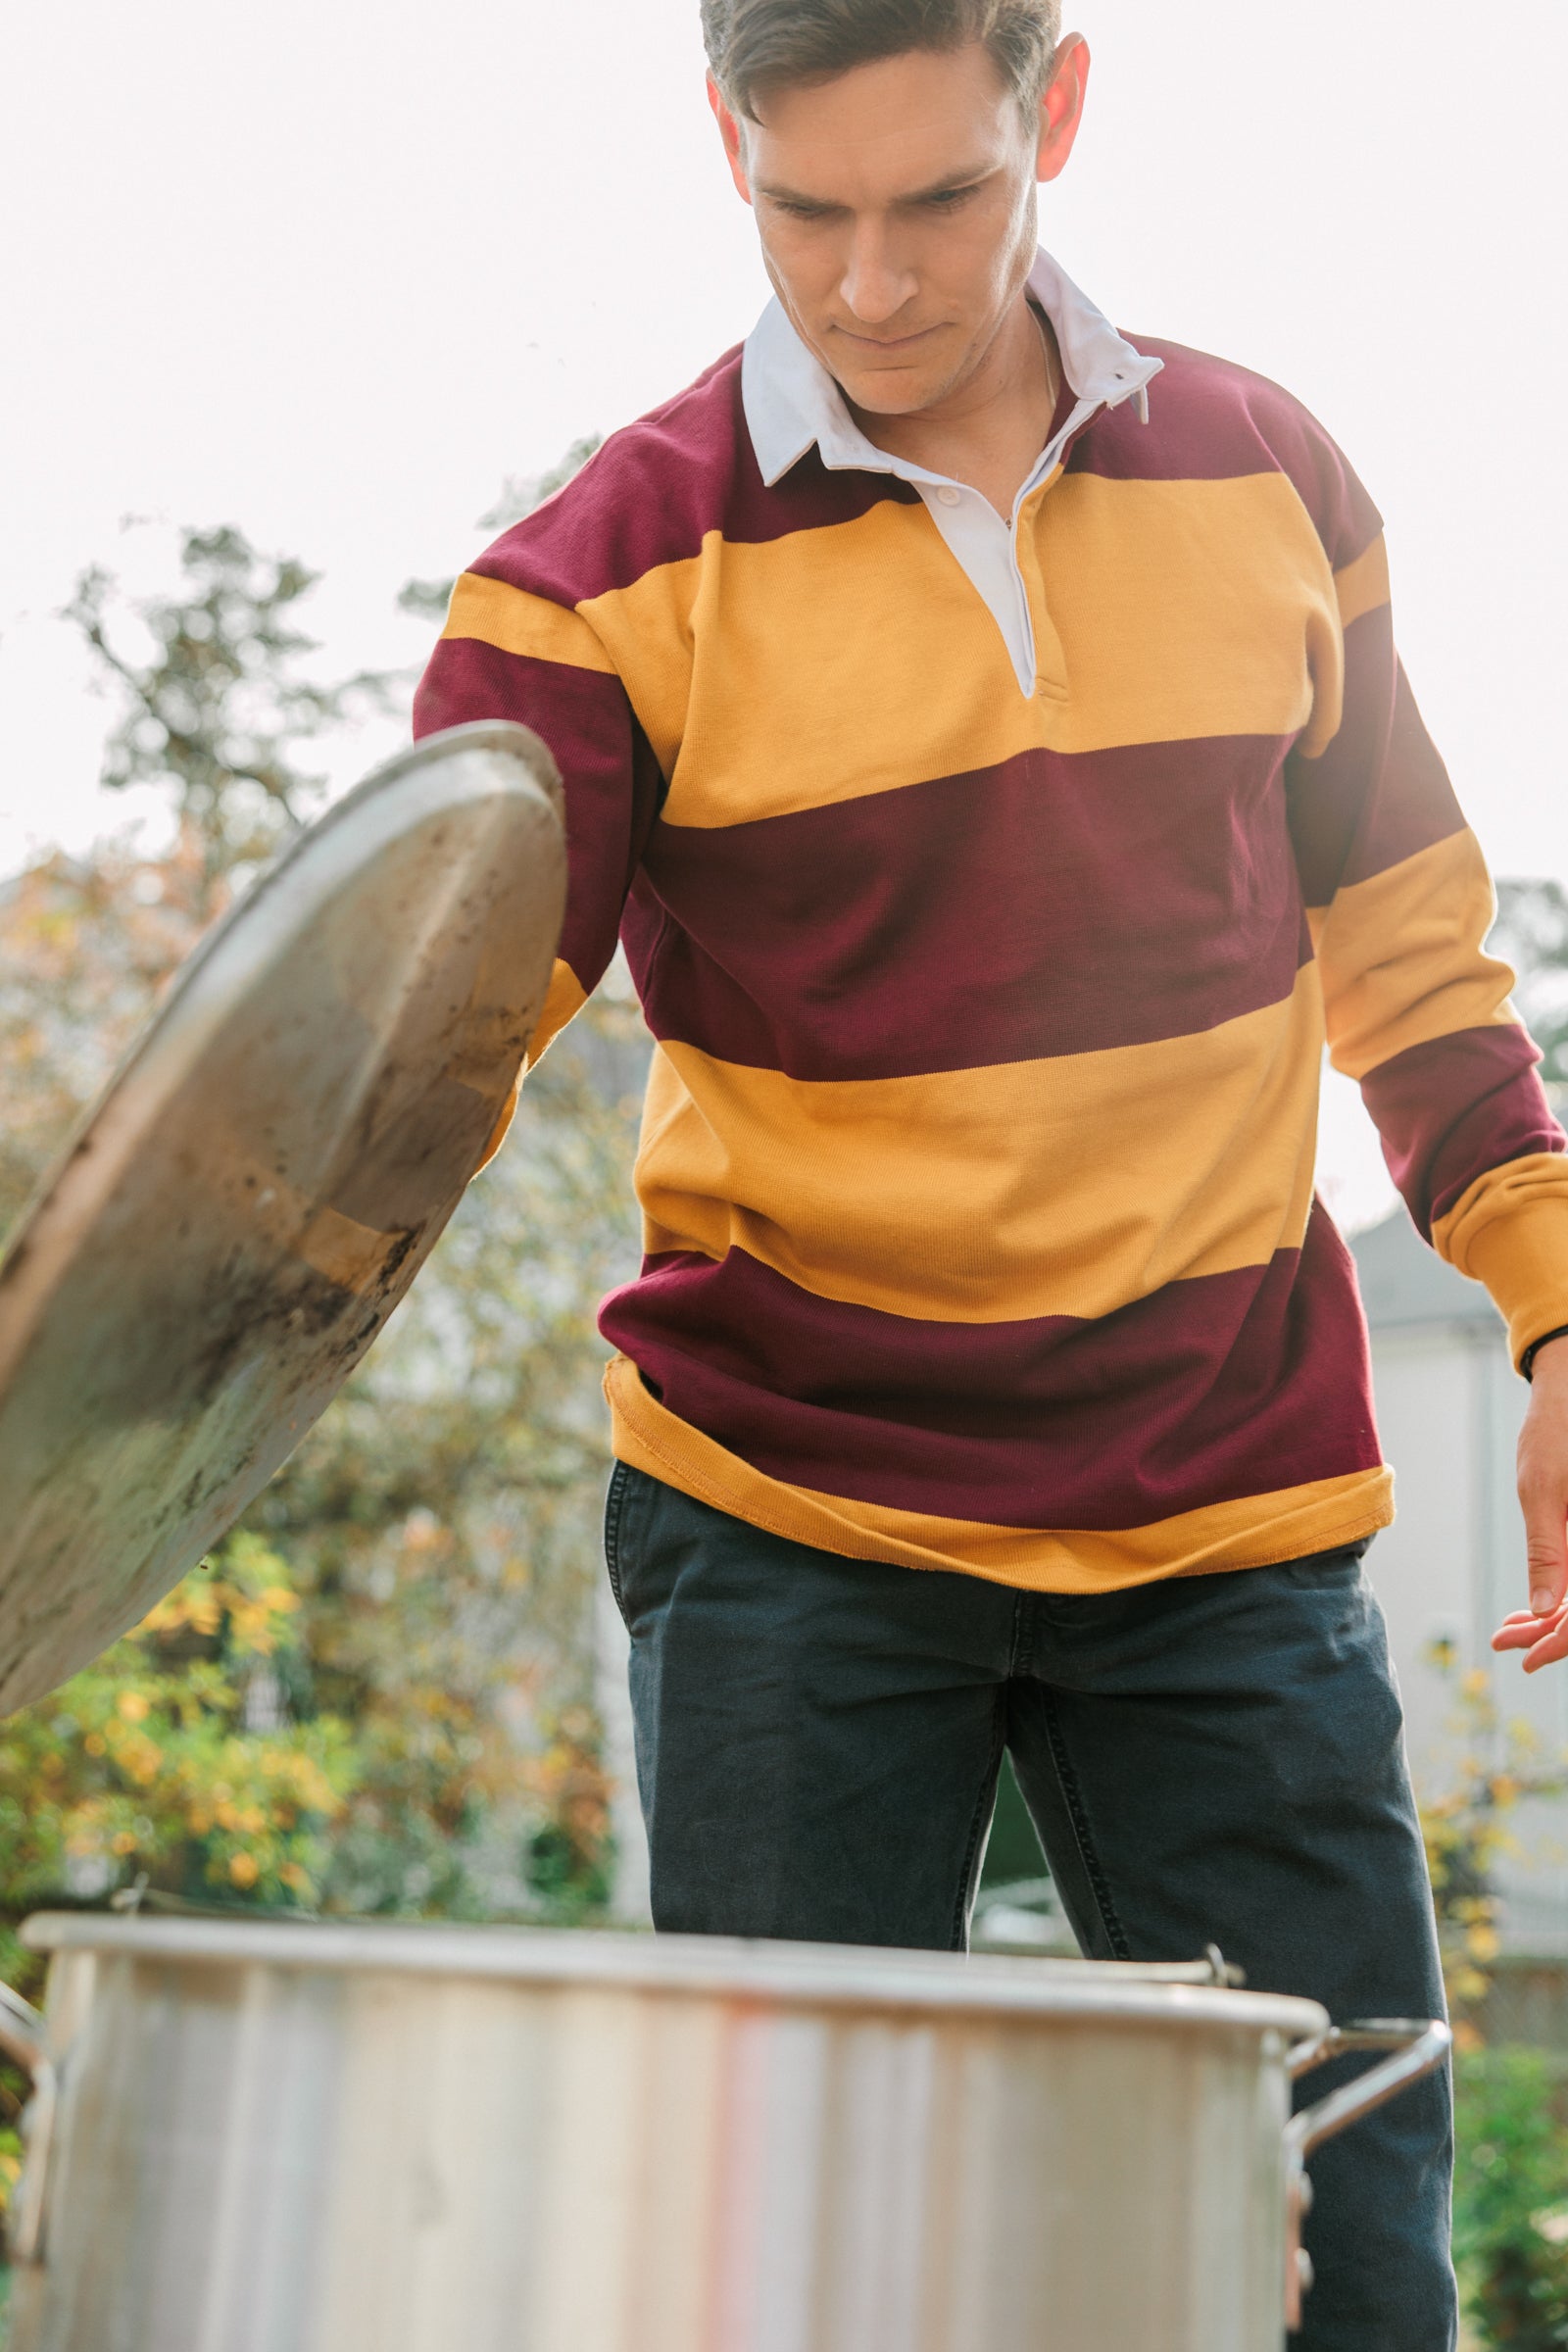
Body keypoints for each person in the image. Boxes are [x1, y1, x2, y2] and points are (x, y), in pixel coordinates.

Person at [415, 4, 1568, 2339]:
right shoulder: (590, 581)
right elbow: (392, 1080)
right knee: (793, 2287)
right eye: (803, 209)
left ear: (1055, 106)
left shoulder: (1266, 473)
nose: (869, 284)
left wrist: (1550, 1314)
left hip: (1220, 1510)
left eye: (937, 199)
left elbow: (1406, 950)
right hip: (791, 1512)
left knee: (1349, 2276)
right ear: (722, 140)